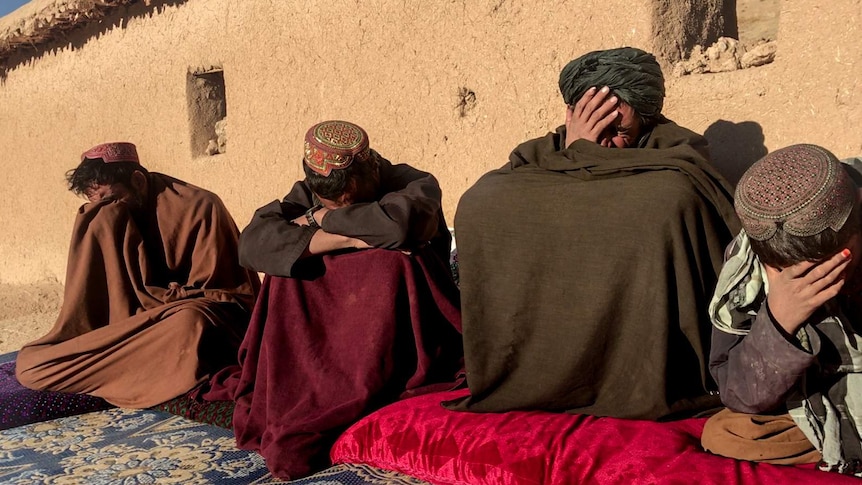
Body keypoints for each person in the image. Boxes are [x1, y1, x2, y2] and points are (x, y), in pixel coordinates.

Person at [446, 47, 740, 419]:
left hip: (651, 375)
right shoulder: (540, 154)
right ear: (569, 114)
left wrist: (584, 154)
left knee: (663, 202)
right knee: (483, 201)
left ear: (647, 122)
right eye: (593, 126)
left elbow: (675, 203)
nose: (605, 142)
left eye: (619, 131)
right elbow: (494, 198)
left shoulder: (675, 154)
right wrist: (575, 149)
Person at [203, 120, 463, 480]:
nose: (341, 206)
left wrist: (320, 221)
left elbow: (395, 227)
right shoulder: (306, 194)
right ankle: (318, 388)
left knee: (390, 262)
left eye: (350, 201)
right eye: (332, 204)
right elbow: (252, 244)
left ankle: (355, 389)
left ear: (370, 169)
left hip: (394, 331)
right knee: (284, 276)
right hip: (327, 328)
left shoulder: (412, 182)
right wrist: (347, 239)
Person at [15, 142, 260, 408]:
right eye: (94, 202)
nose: (104, 209)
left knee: (190, 323)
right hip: (139, 325)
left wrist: (163, 299)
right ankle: (142, 371)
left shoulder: (200, 206)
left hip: (198, 321)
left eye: (110, 199)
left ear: (138, 180)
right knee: (31, 364)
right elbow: (104, 310)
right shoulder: (106, 219)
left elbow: (225, 295)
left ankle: (125, 371)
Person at [702, 144, 862, 477]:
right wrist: (778, 320)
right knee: (729, 432)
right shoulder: (749, 260)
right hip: (811, 397)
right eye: (793, 271)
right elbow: (736, 391)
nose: (812, 281)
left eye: (823, 267)